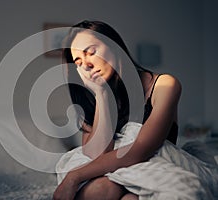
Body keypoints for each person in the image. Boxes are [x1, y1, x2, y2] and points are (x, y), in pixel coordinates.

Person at [52, 20, 212, 200]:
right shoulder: (89, 99)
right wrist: (102, 95)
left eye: (91, 52)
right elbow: (95, 155)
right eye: (78, 62)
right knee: (101, 189)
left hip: (153, 166)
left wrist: (74, 176)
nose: (86, 65)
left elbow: (140, 151)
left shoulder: (164, 85)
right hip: (107, 174)